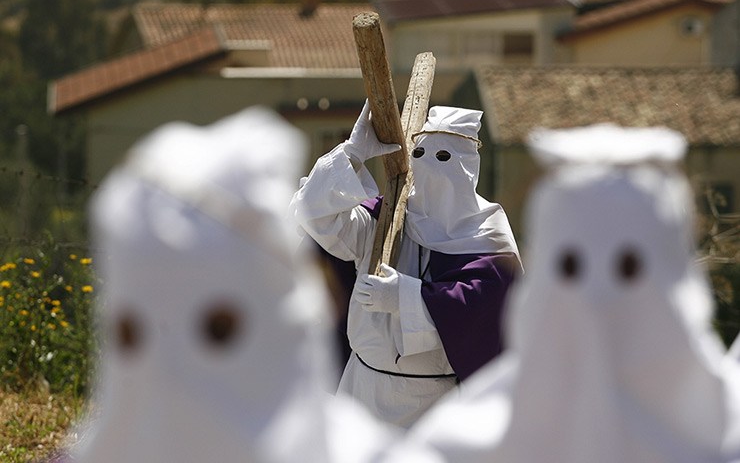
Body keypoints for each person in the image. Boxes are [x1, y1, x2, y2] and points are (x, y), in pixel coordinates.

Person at [383, 123, 740, 462]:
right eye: (571, 267)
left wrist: (409, 296)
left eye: (628, 269)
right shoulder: (461, 445)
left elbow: (480, 296)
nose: (598, 298)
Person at [73, 107, 397, 463]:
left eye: (217, 330)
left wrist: (413, 301)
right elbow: (314, 213)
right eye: (131, 333)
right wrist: (350, 157)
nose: (174, 382)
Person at [290, 102, 522, 428]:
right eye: (421, 153)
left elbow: (485, 304)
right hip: (361, 391)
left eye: (444, 158)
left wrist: (406, 296)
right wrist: (352, 154)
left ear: (469, 167)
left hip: (430, 406)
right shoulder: (383, 217)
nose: (430, 166)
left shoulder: (486, 235)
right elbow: (316, 216)